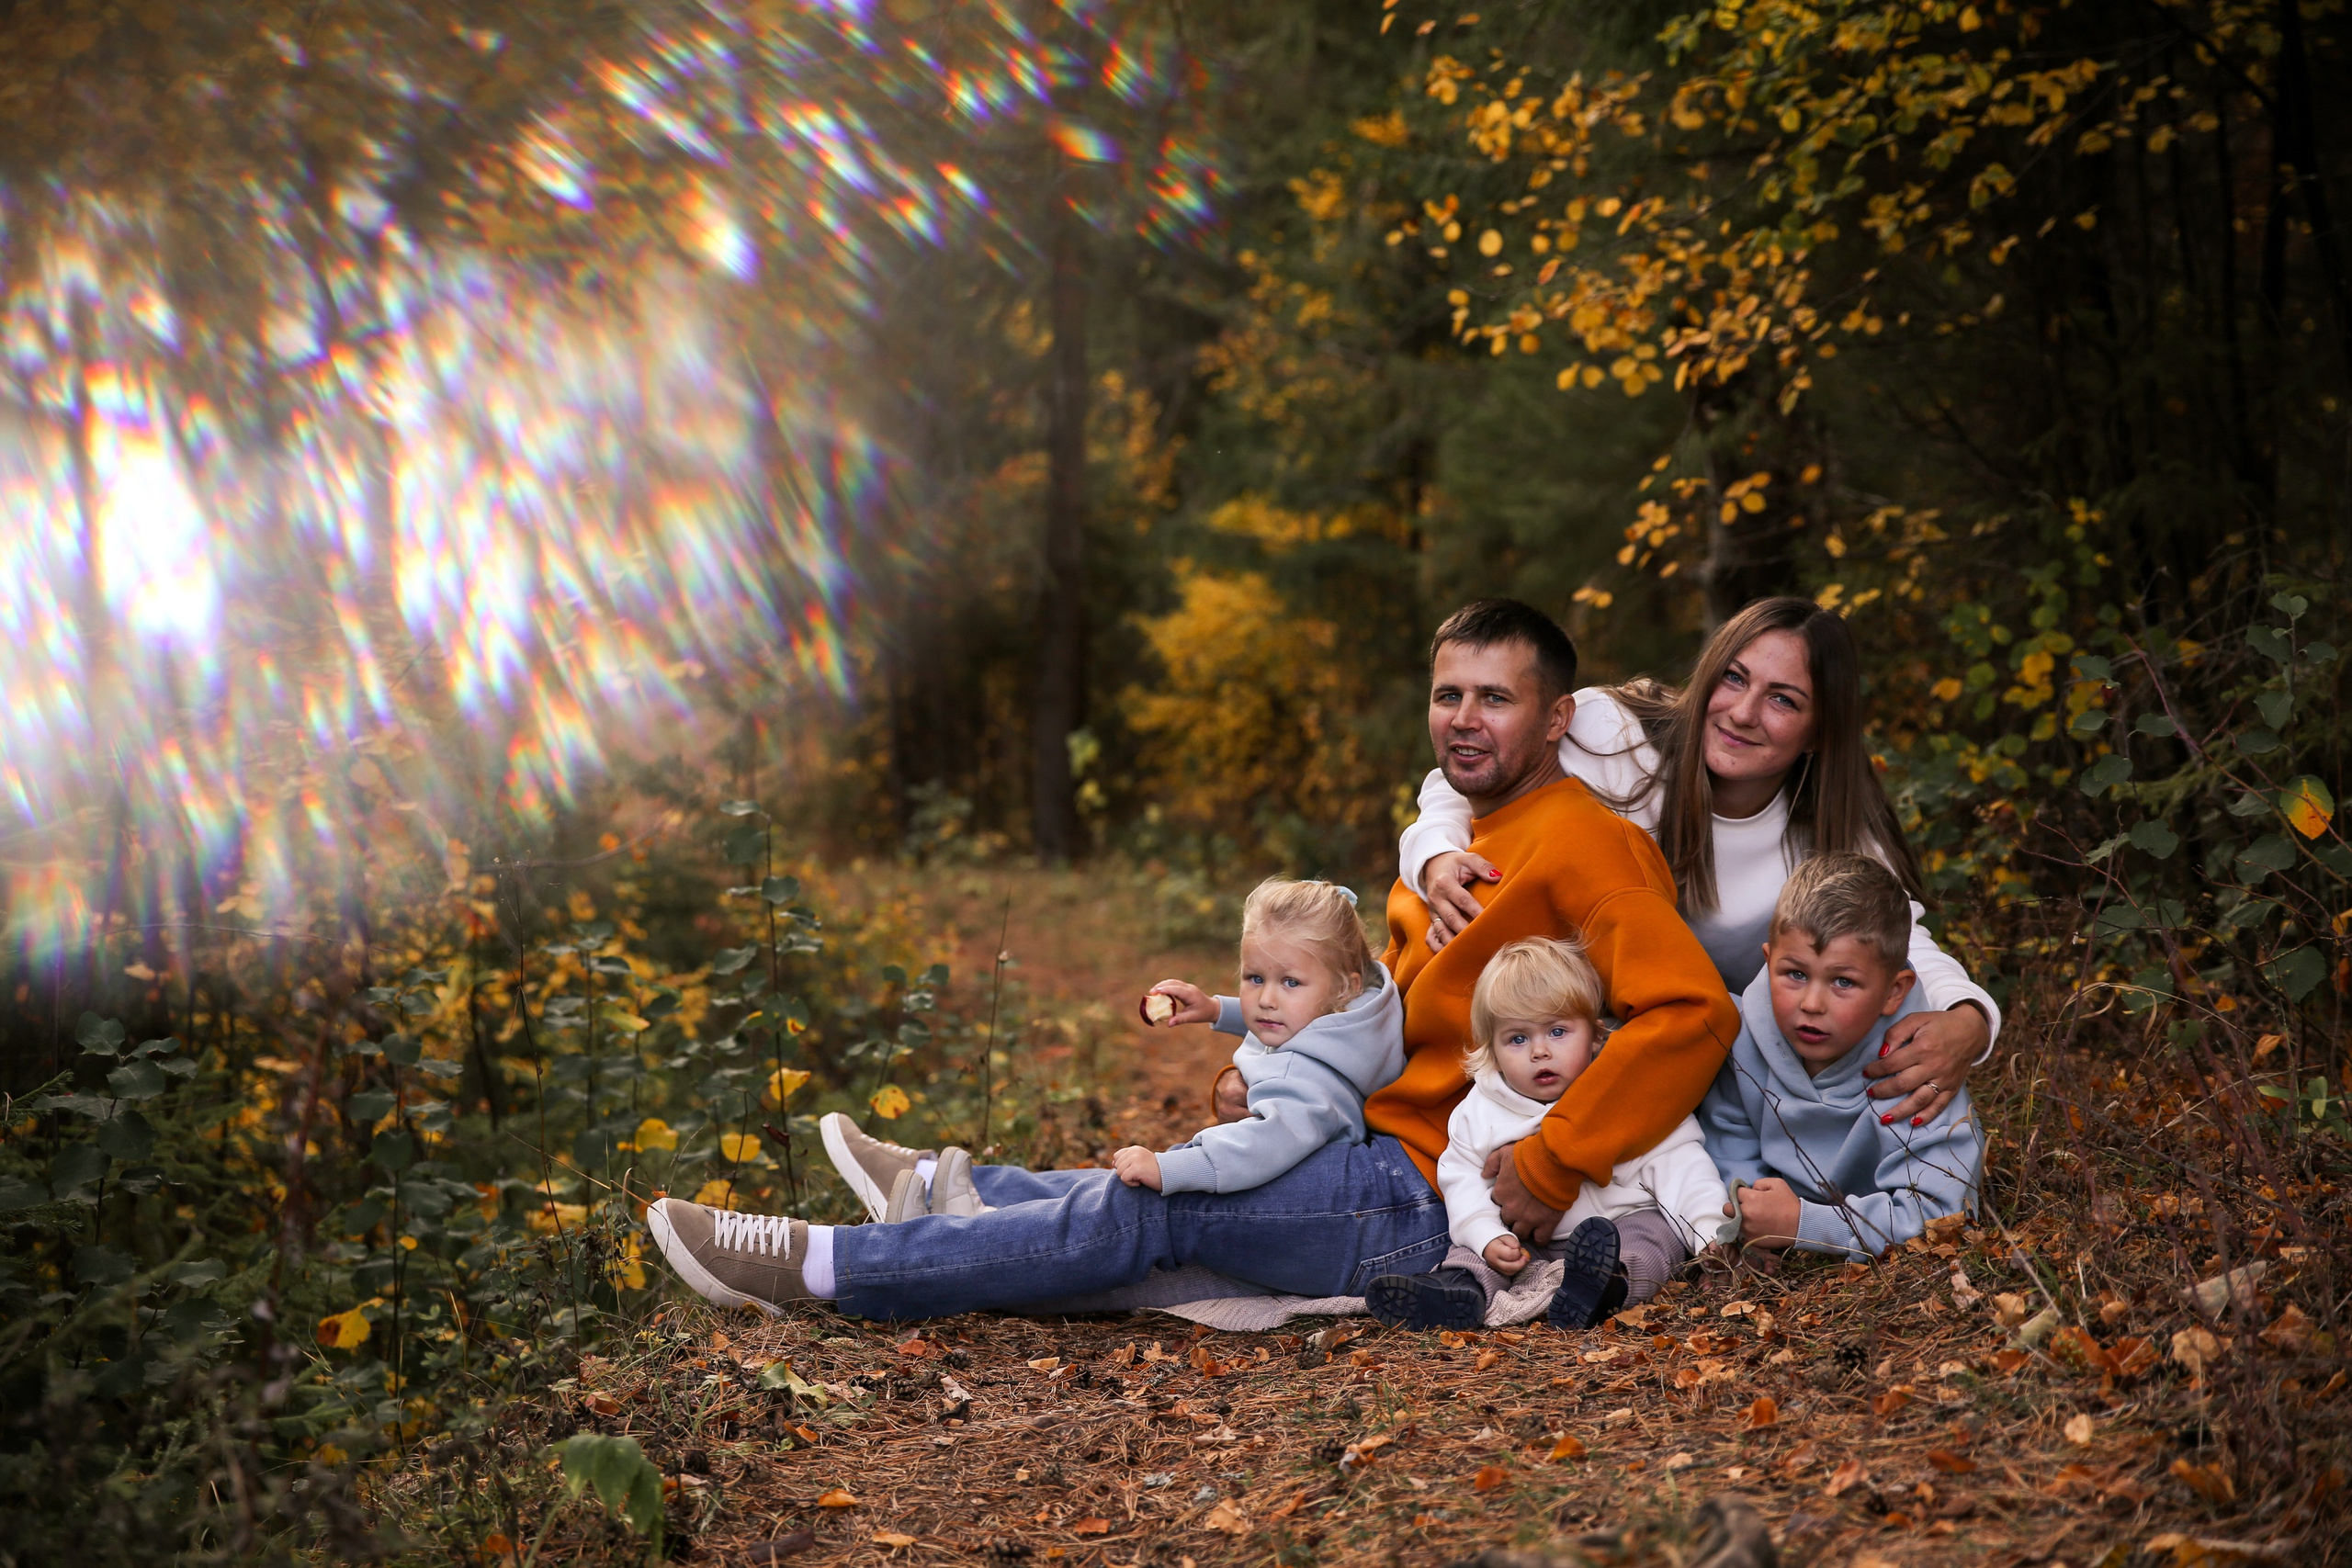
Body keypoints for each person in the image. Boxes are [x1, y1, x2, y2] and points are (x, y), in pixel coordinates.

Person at [642, 599, 1735, 1320]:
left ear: (1553, 721)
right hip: (1378, 1148)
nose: (1463, 718)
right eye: (1448, 694)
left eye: (1495, 698)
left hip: (1420, 1199)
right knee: (1161, 1184)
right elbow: (1412, 1022)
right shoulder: (1462, 839)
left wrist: (1549, 1166)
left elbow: (1691, 1014)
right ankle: (950, 1189)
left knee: (1156, 1207)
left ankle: (825, 1269)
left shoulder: (1591, 846)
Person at [1397, 596, 1998, 1132]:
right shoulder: (1615, 732)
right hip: (1554, 1022)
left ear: (1818, 731)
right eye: (1733, 679)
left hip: (1686, 1055)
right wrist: (1436, 853)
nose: (1742, 712)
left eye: (1782, 700)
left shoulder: (1832, 832)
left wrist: (1969, 1019)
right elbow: (1474, 762)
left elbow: (1901, 939)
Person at [1369, 935, 1724, 1331]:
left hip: (1622, 1222)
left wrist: (1710, 1231)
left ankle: (1607, 1286)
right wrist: (1486, 1235)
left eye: (1557, 1032)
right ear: (1492, 1051)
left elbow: (1683, 1165)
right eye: (1518, 1038)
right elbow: (1462, 1179)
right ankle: (1455, 1291)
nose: (1539, 1051)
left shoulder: (1627, 1097)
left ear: (1595, 1035)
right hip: (1528, 1238)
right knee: (1470, 1253)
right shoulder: (1480, 1111)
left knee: (1654, 1237)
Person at [1702, 853, 1982, 1255]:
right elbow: (1730, 1136)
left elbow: (1944, 1216)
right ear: (1768, 960)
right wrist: (1745, 1215)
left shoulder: (1917, 1071)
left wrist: (1805, 1225)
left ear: (1894, 991)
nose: (1812, 1003)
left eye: (1843, 982)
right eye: (1795, 974)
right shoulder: (1745, 1039)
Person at [1114, 877, 1403, 1194]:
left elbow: (1260, 1147)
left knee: (1125, 1194)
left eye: (1290, 982)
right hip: (1304, 1160)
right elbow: (1290, 1020)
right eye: (1255, 978)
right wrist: (1215, 1009)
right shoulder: (1363, 1017)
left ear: (1347, 985)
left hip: (1293, 1183)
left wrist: (1170, 1169)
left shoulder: (1302, 1081)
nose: (1266, 999)